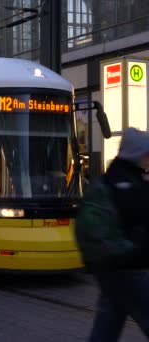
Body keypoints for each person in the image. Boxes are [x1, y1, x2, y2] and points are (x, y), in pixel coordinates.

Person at [75, 127, 149, 341]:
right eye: (146, 154)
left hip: (110, 266)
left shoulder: (113, 178)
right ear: (138, 154)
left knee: (108, 323)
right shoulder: (127, 184)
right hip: (129, 265)